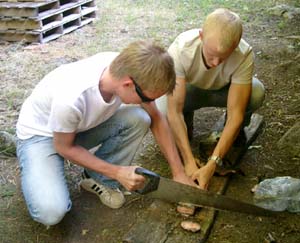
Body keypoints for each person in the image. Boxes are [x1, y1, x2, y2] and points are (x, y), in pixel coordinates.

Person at [16, 40, 197, 226]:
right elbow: (63, 147)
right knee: (51, 213)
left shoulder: (128, 70)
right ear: (128, 84)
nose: (150, 102)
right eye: (148, 98)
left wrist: (179, 173)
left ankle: (97, 179)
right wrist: (118, 172)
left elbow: (157, 118)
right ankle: (32, 165)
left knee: (140, 118)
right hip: (43, 136)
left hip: (77, 127)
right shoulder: (71, 99)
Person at [156, 8, 265, 190]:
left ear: (236, 44)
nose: (215, 63)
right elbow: (174, 111)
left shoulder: (244, 54)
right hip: (189, 90)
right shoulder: (181, 49)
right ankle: (187, 118)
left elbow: (235, 114)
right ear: (201, 36)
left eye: (223, 57)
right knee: (162, 108)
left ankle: (235, 135)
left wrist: (213, 162)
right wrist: (188, 161)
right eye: (211, 54)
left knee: (256, 93)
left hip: (224, 90)